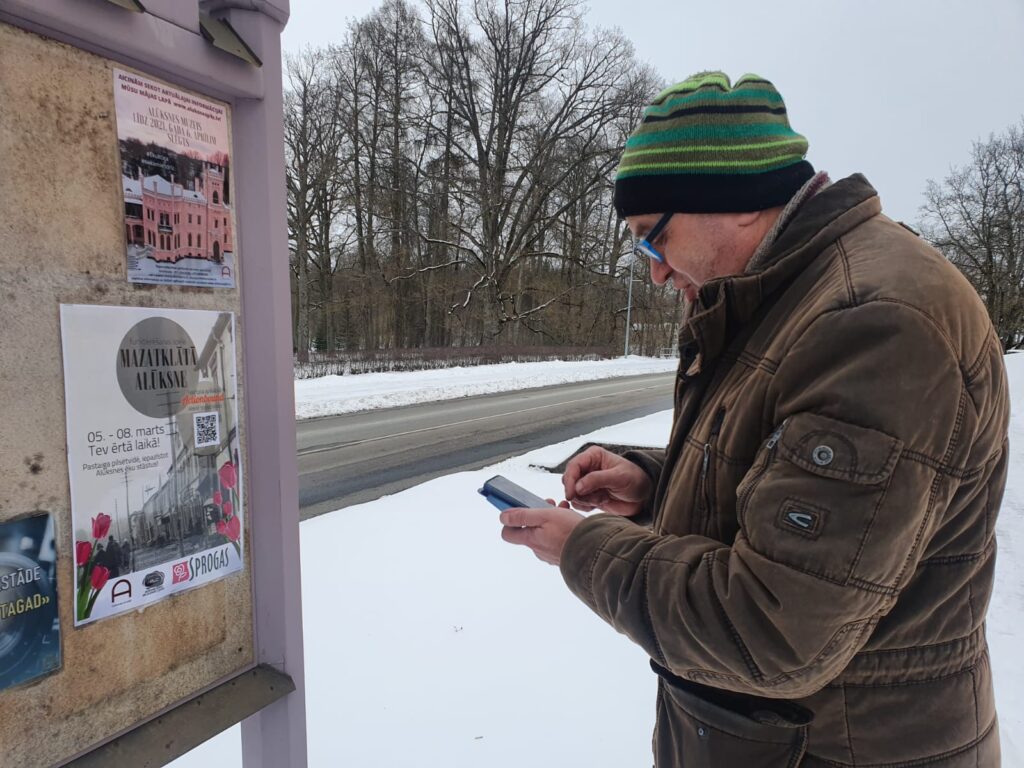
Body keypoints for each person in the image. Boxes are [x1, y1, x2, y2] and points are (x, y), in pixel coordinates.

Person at [499, 72, 1009, 766]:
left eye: (653, 238)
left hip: (842, 749)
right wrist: (654, 484)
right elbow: (798, 489)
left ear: (731, 201)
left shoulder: (873, 321)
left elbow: (773, 629)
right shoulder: (790, 297)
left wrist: (583, 550)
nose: (655, 272)